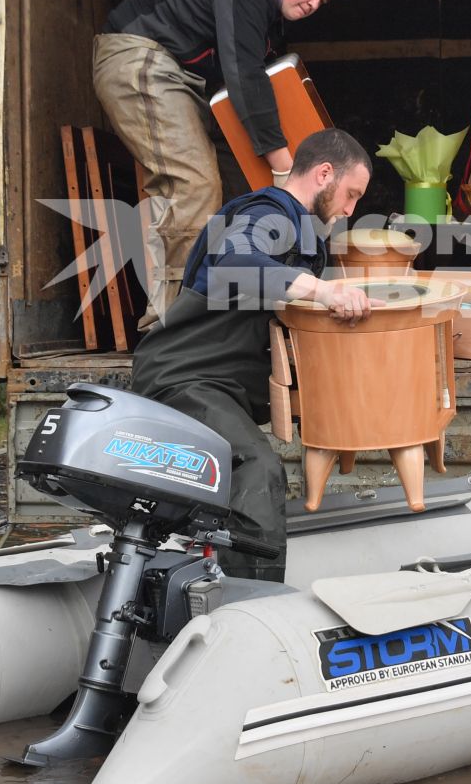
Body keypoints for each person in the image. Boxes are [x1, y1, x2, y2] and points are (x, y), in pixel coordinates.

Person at [128, 128, 375, 581]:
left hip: (216, 384)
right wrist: (322, 290)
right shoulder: (267, 214)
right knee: (256, 469)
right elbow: (236, 264)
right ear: (324, 173)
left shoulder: (301, 233)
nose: (349, 210)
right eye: (351, 194)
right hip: (184, 376)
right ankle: (248, 605)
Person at [94, 0, 346, 326]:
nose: (314, 4)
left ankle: (232, 310)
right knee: (193, 185)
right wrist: (283, 167)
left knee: (233, 186)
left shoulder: (263, 14)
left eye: (323, 1)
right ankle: (172, 324)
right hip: (140, 57)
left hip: (180, 77)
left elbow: (255, 86)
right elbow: (244, 77)